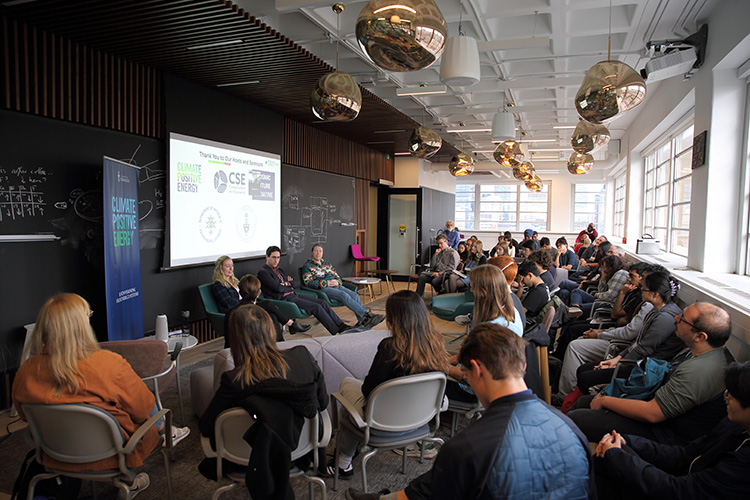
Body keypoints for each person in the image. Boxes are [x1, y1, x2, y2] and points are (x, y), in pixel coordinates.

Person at [345, 323, 595, 500]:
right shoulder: (572, 429)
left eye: (466, 373)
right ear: (523, 364)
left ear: (476, 369)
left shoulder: (468, 446)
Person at [12, 293, 188, 498]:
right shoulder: (109, 364)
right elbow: (142, 409)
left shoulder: (27, 370)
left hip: (54, 455)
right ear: (82, 325)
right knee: (148, 410)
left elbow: (26, 416)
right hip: (114, 455)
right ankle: (162, 438)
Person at [199, 304, 328, 500]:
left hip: (248, 458)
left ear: (235, 338)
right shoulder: (302, 356)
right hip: (303, 449)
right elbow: (323, 403)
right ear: (270, 329)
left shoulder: (234, 380)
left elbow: (207, 427)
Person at [568, 301, 735, 445]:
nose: (676, 319)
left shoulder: (700, 370)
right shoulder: (703, 353)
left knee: (580, 417)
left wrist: (606, 401)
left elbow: (652, 413)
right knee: (584, 402)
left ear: (700, 336)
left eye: (683, 319)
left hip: (668, 434)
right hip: (662, 415)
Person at [330, 291, 449, 477]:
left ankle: (343, 462)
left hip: (381, 421)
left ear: (395, 318)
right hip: (420, 422)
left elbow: (368, 390)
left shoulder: (390, 347)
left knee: (347, 386)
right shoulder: (436, 344)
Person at [593, 361, 750, 499]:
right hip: (681, 480)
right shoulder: (732, 425)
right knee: (611, 454)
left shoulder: (743, 463)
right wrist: (628, 441)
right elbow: (684, 455)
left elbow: (680, 490)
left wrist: (616, 456)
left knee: (609, 462)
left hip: (680, 489)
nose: (726, 398)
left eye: (732, 395)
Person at [572, 272, 684, 396]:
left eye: (644, 289)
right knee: (583, 370)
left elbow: (644, 348)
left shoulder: (665, 318)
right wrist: (617, 358)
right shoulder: (657, 310)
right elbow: (638, 343)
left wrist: (619, 363)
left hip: (644, 369)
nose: (641, 290)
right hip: (636, 360)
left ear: (655, 294)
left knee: (586, 378)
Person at [258, 246, 351, 335]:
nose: (276, 260)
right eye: (273, 257)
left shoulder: (280, 270)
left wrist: (286, 284)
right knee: (316, 307)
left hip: (293, 294)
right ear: (267, 257)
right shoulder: (263, 272)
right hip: (284, 298)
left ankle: (341, 325)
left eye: (278, 257)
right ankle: (336, 330)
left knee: (322, 302)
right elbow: (277, 288)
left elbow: (296, 283)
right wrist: (288, 284)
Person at [302, 244, 384, 328]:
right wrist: (327, 283)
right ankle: (367, 314)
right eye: (316, 251)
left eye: (320, 251)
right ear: (312, 252)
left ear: (322, 253)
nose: (318, 253)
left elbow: (337, 277)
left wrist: (338, 282)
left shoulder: (327, 264)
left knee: (354, 295)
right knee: (343, 295)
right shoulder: (307, 266)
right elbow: (308, 282)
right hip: (323, 289)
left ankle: (362, 321)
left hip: (336, 286)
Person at [225, 275, 310, 345]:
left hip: (233, 353)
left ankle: (291, 325)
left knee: (268, 307)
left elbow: (228, 342)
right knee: (271, 313)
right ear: (259, 293)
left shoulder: (230, 313)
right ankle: (290, 326)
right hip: (255, 352)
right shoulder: (258, 314)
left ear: (239, 293)